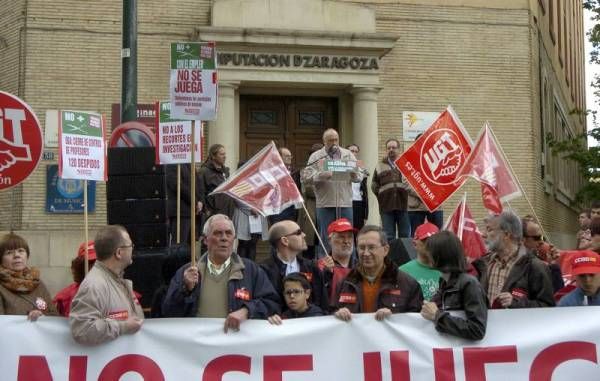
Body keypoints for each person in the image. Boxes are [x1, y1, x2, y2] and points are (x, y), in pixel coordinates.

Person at [162, 214, 280, 332]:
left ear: (234, 239)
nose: (224, 238)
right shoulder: (188, 271)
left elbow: (272, 304)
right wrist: (185, 288)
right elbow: (168, 313)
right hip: (198, 345)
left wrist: (247, 311)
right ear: (205, 240)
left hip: (236, 344)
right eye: (218, 233)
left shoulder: (250, 270)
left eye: (228, 233)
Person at [69, 226, 144, 345]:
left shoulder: (115, 280)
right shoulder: (94, 285)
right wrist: (123, 326)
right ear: (119, 253)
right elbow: (82, 329)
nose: (132, 249)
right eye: (130, 246)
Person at [334, 225, 423, 321]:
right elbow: (329, 314)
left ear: (385, 250)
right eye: (362, 248)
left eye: (371, 247)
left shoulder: (408, 284)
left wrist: (394, 318)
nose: (366, 253)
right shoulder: (345, 283)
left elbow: (417, 324)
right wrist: (336, 314)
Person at [302, 129, 362, 257]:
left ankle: (349, 268)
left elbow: (360, 176)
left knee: (347, 237)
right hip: (325, 204)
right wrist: (321, 175)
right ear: (324, 142)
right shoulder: (316, 156)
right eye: (330, 140)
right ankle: (326, 268)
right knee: (326, 237)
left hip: (345, 203)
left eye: (336, 140)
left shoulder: (347, 154)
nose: (334, 143)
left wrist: (354, 174)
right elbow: (305, 177)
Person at [478, 211, 555, 308]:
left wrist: (516, 303)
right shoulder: (483, 264)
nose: (483, 234)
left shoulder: (535, 267)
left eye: (489, 230)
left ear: (506, 235)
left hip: (517, 323)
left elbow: (548, 307)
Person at [420, 231, 487, 340]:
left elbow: (477, 329)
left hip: (463, 353)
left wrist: (437, 316)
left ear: (441, 255)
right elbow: (428, 308)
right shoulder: (444, 281)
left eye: (430, 252)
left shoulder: (470, 284)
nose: (426, 254)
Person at [262, 220, 328, 312]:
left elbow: (323, 304)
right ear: (285, 241)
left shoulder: (312, 267)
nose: (304, 235)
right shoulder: (263, 271)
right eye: (298, 233)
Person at [0, 233, 57, 320]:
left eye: (21, 251)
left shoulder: (37, 282)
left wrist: (42, 316)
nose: (16, 255)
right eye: (9, 252)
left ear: (27, 255)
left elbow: (55, 315)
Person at [371, 138, 410, 240]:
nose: (391, 149)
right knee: (388, 236)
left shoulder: (406, 164)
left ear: (399, 149)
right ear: (386, 150)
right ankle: (390, 256)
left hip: (404, 205)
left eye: (394, 147)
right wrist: (382, 195)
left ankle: (404, 256)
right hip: (386, 206)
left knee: (405, 235)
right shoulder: (379, 166)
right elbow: (374, 185)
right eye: (389, 148)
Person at [399, 221, 441, 301]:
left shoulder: (447, 270)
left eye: (434, 241)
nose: (431, 244)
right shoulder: (403, 271)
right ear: (415, 244)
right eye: (426, 241)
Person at [53, 240, 97, 317]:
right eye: (90, 263)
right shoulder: (64, 297)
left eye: (99, 263)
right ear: (80, 266)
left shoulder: (118, 291)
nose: (95, 267)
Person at [320, 218, 357, 305]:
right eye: (341, 237)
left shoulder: (361, 267)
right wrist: (325, 275)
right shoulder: (319, 266)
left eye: (350, 237)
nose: (346, 241)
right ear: (329, 240)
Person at [521, 218, 564, 292]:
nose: (541, 242)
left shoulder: (539, 263)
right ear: (522, 239)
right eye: (537, 238)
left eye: (541, 237)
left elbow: (558, 294)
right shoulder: (508, 263)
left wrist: (553, 264)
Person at [297, 143, 324, 260]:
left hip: (325, 209)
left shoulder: (330, 170)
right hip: (311, 210)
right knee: (310, 243)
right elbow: (309, 190)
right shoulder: (305, 171)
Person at [166, 163, 203, 246]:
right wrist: (195, 201)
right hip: (180, 212)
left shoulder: (190, 163)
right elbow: (177, 185)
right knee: (180, 245)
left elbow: (198, 184)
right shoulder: (173, 164)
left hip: (193, 212)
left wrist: (200, 200)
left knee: (191, 247)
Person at [198, 144, 236, 221]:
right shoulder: (204, 171)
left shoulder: (226, 171)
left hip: (228, 212)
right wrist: (206, 211)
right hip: (213, 214)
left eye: (225, 154)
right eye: (221, 154)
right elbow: (200, 193)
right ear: (213, 156)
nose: (225, 156)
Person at [269, 147, 301, 225]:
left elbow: (298, 187)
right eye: (287, 156)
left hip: (292, 207)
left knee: (290, 229)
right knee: (278, 228)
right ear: (279, 157)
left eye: (290, 156)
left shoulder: (295, 171)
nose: (289, 158)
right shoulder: (273, 172)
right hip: (277, 207)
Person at [347, 144, 369, 230]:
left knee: (358, 228)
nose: (354, 153)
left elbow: (364, 189)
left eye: (356, 151)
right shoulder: (342, 165)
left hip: (359, 201)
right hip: (347, 201)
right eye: (351, 151)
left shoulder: (360, 167)